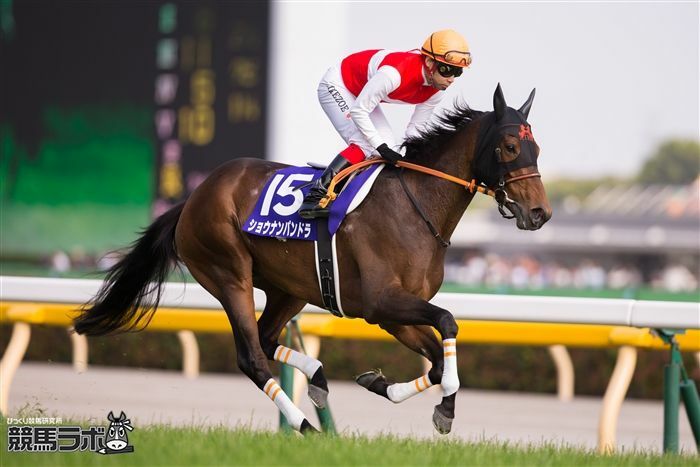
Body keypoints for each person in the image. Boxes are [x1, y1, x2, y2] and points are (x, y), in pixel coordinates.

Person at [298, 29, 472, 219]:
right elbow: (358, 111)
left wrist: (414, 158)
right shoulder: (394, 74)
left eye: (458, 72)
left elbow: (416, 129)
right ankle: (316, 195)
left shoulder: (437, 89)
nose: (451, 79)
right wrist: (380, 147)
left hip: (360, 94)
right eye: (447, 70)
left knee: (387, 143)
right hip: (338, 85)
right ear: (429, 62)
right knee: (366, 143)